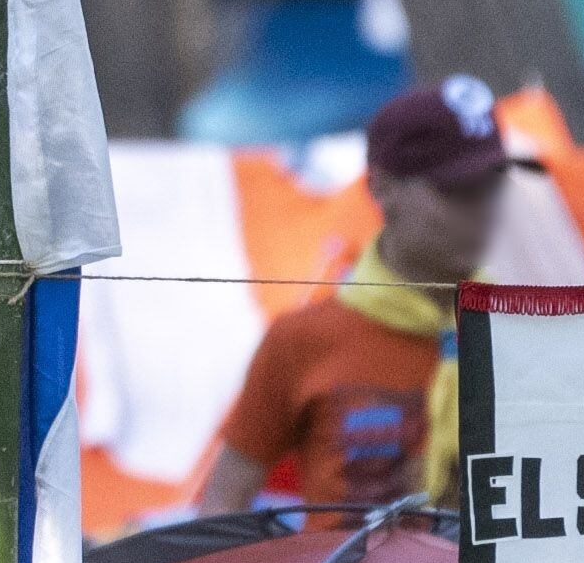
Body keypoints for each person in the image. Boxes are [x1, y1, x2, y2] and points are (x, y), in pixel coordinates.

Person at [199, 77, 511, 515]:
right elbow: (221, 510)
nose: (484, 209)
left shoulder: (521, 331)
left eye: (493, 184)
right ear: (383, 186)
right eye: (457, 188)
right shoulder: (302, 340)